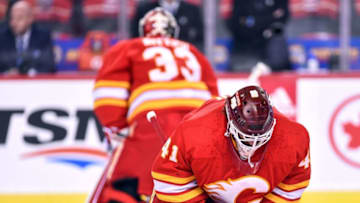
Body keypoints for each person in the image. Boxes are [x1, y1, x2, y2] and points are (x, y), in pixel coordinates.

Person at [90, 7, 219, 203]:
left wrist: (118, 127)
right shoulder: (193, 52)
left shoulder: (129, 47)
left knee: (124, 186)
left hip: (151, 126)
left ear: (144, 30)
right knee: (202, 184)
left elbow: (108, 94)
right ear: (174, 31)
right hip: (197, 129)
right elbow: (213, 99)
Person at [151, 85, 311, 202]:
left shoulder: (293, 139)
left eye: (260, 136)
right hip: (195, 186)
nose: (252, 143)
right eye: (245, 136)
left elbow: (292, 187)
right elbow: (167, 179)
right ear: (229, 123)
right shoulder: (195, 133)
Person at [220, 0, 291, 72]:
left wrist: (254, 21)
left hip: (270, 41)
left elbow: (282, 18)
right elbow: (237, 22)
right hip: (246, 43)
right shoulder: (242, 2)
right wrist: (267, 19)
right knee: (242, 66)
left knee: (278, 33)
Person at [0, 0, 55, 75]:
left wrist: (29, 74)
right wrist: (7, 74)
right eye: (12, 18)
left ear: (30, 19)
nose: (14, 23)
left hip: (35, 84)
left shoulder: (43, 37)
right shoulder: (2, 37)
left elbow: (49, 66)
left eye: (19, 18)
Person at [131, 0, 204, 51]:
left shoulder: (192, 10)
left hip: (182, 59)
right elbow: (136, 38)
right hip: (152, 59)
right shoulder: (145, 9)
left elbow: (199, 38)